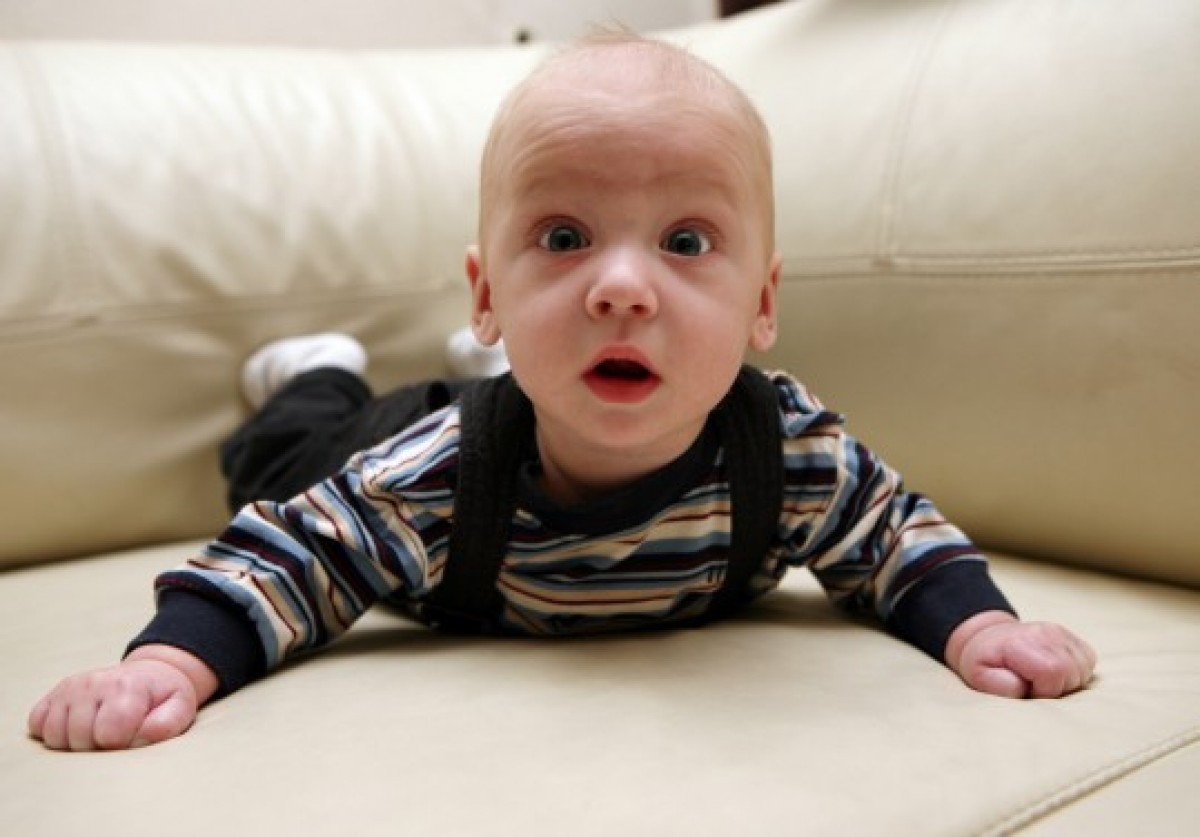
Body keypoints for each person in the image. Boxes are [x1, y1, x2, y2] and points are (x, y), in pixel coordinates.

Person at [28, 31, 1096, 752]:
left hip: (520, 382)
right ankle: (318, 370)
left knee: (545, 369)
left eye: (687, 242)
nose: (623, 287)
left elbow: (895, 535)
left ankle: (509, 360)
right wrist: (168, 663)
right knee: (280, 455)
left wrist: (979, 628)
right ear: (487, 291)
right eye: (565, 237)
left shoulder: (788, 453)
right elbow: (291, 557)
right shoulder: (430, 477)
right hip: (414, 432)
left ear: (764, 304)